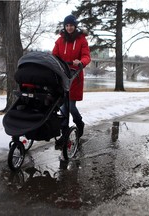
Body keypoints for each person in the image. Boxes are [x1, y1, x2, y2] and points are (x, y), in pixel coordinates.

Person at [52, 14, 91, 148]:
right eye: (67, 25)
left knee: (70, 106)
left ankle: (79, 123)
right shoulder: (60, 40)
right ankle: (64, 134)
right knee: (63, 107)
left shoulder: (81, 40)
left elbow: (86, 56)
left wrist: (81, 62)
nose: (69, 28)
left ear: (75, 26)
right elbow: (54, 55)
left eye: (71, 25)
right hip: (62, 76)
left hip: (75, 77)